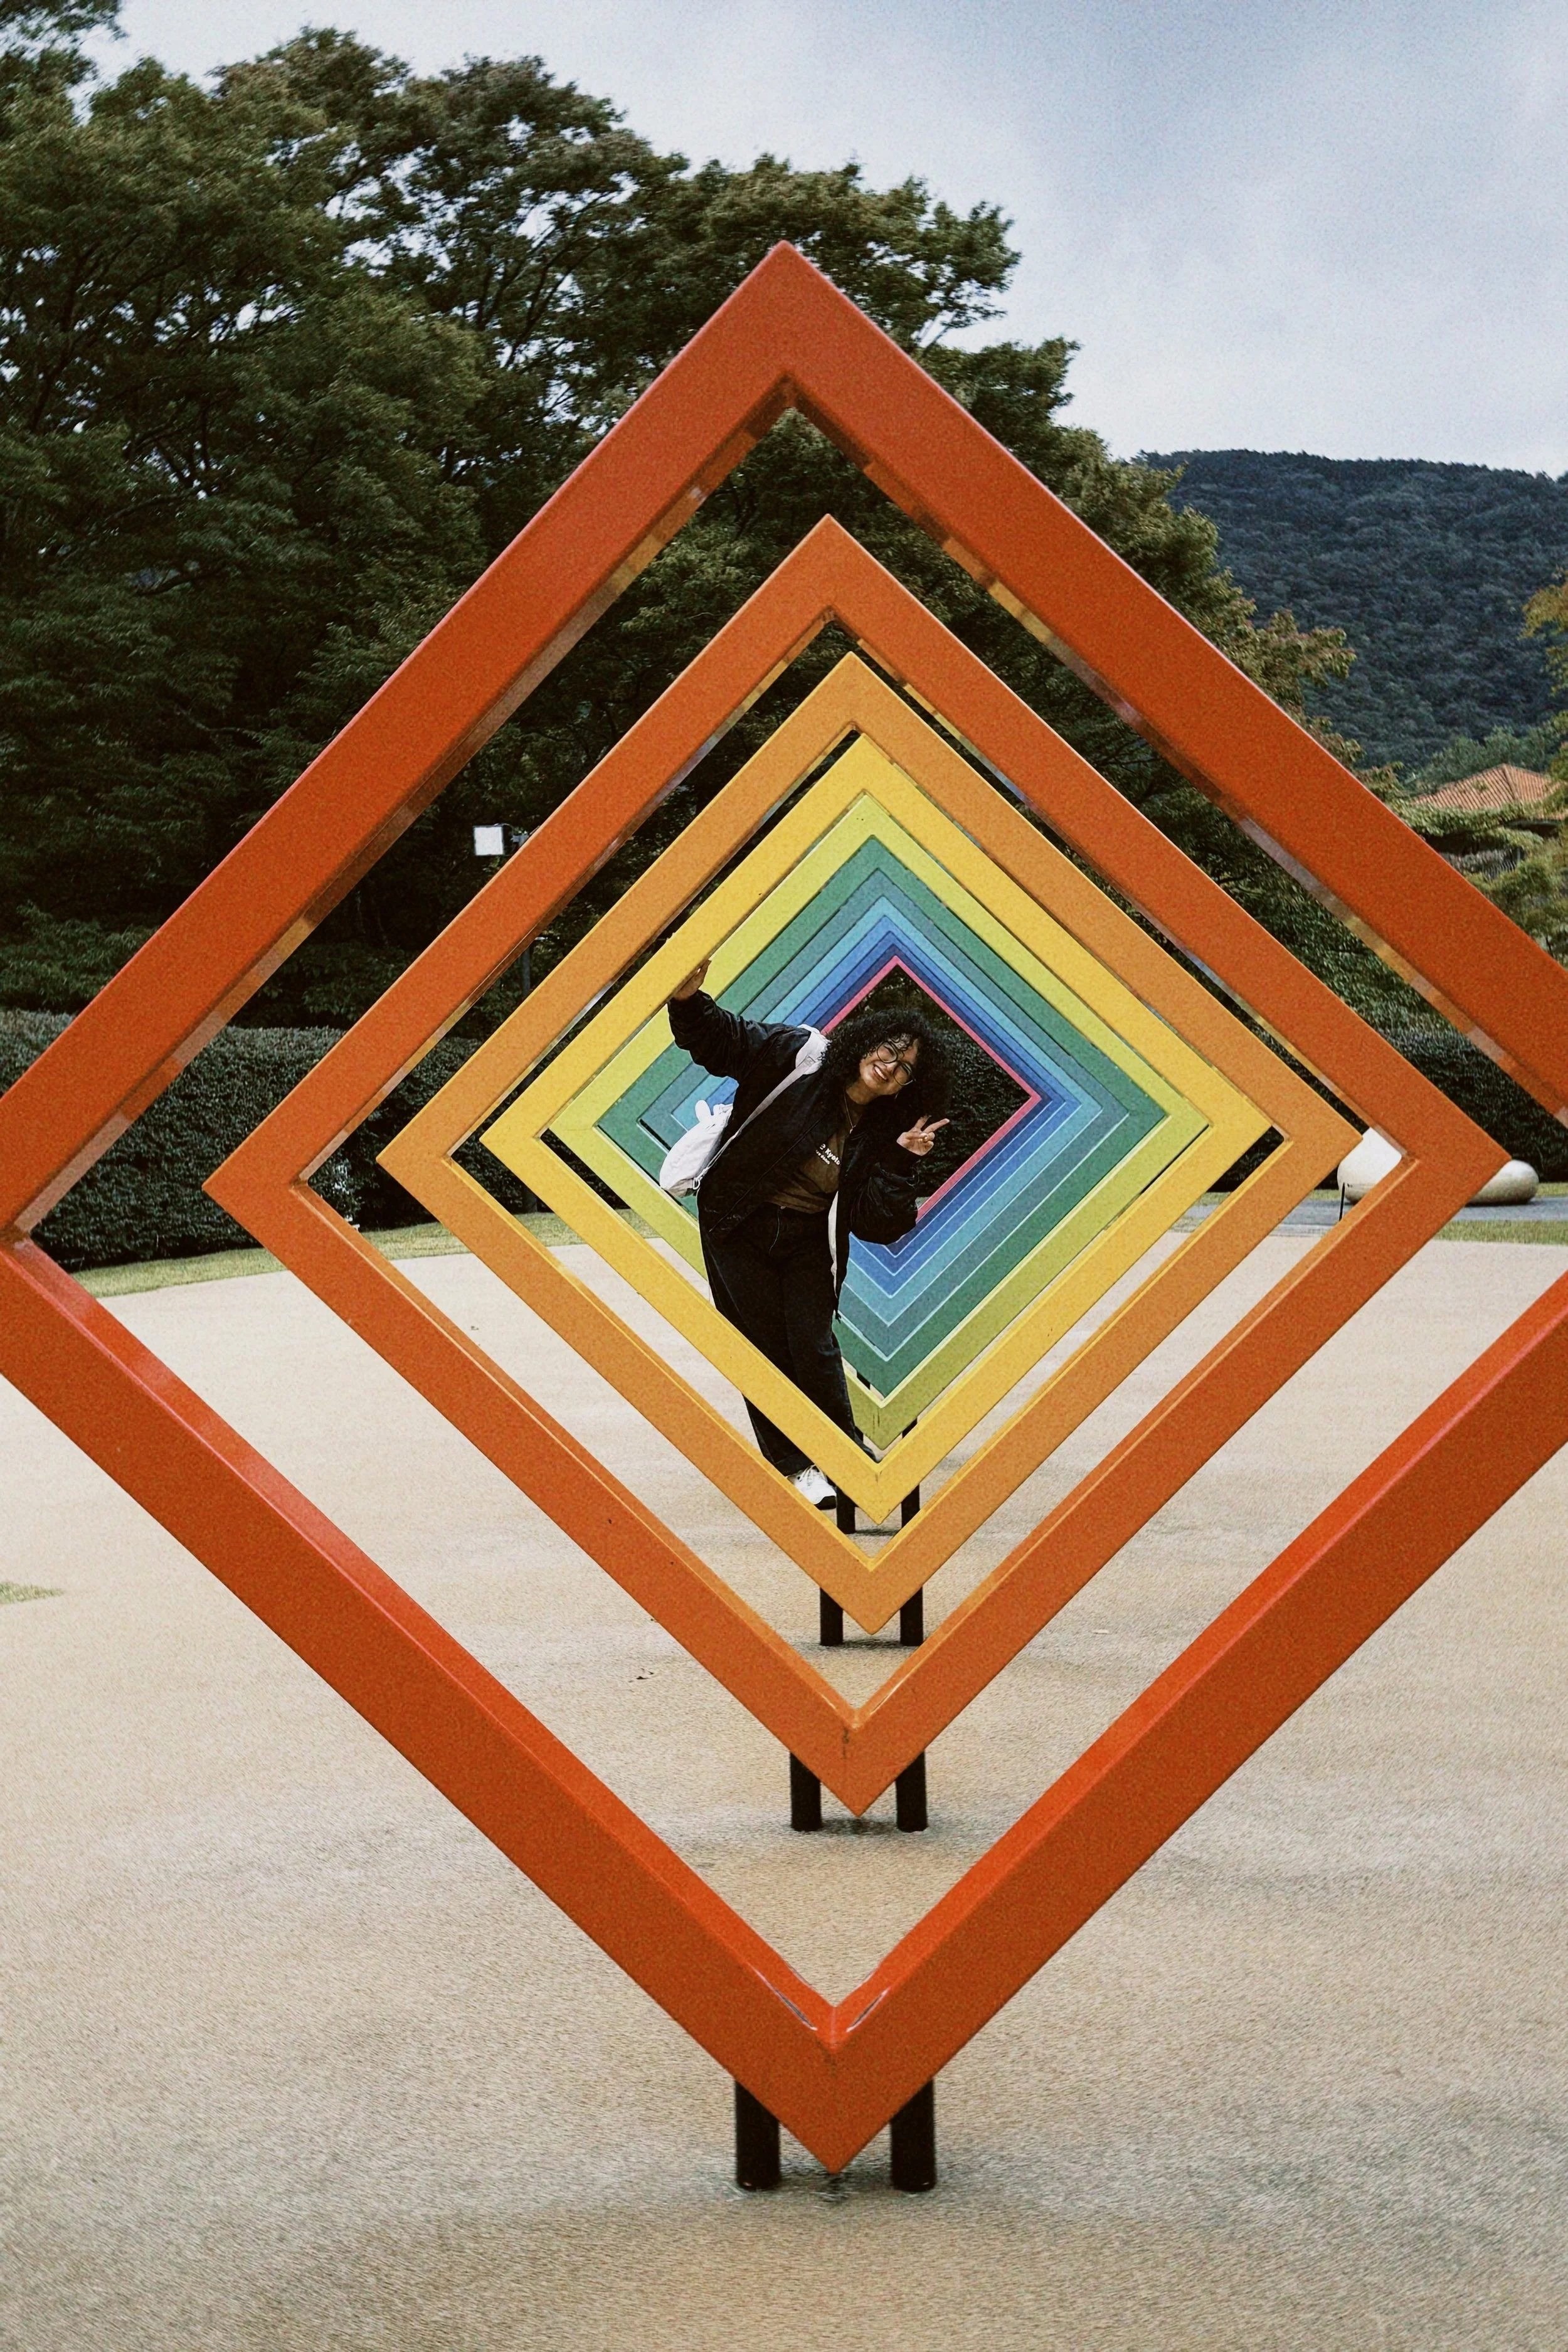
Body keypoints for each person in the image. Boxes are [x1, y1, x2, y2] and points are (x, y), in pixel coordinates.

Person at [667, 960, 950, 1506]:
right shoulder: (801, 1056)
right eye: (888, 1050)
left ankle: (844, 1459)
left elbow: (875, 1223)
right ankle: (796, 1465)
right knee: (764, 1347)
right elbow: (726, 1041)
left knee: (814, 1348)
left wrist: (902, 1162)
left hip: (807, 1241)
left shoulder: (885, 1130)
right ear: (868, 1041)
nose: (891, 1067)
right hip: (739, 1222)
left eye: (906, 1068)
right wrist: (686, 1002)